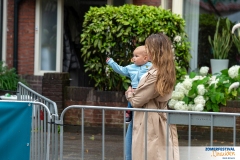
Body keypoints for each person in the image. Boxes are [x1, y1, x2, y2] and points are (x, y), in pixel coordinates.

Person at [125, 33, 179, 160]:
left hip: (147, 122)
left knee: (138, 154)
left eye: (148, 47)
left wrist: (129, 93)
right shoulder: (164, 71)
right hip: (151, 120)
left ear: (154, 50)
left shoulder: (155, 74)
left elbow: (137, 101)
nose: (146, 50)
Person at [106, 46, 152, 160]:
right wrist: (111, 63)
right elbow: (120, 70)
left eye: (136, 56)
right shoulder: (131, 67)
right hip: (134, 93)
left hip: (143, 93)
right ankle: (128, 115)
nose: (134, 58)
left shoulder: (150, 67)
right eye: (133, 55)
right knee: (131, 106)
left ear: (146, 58)